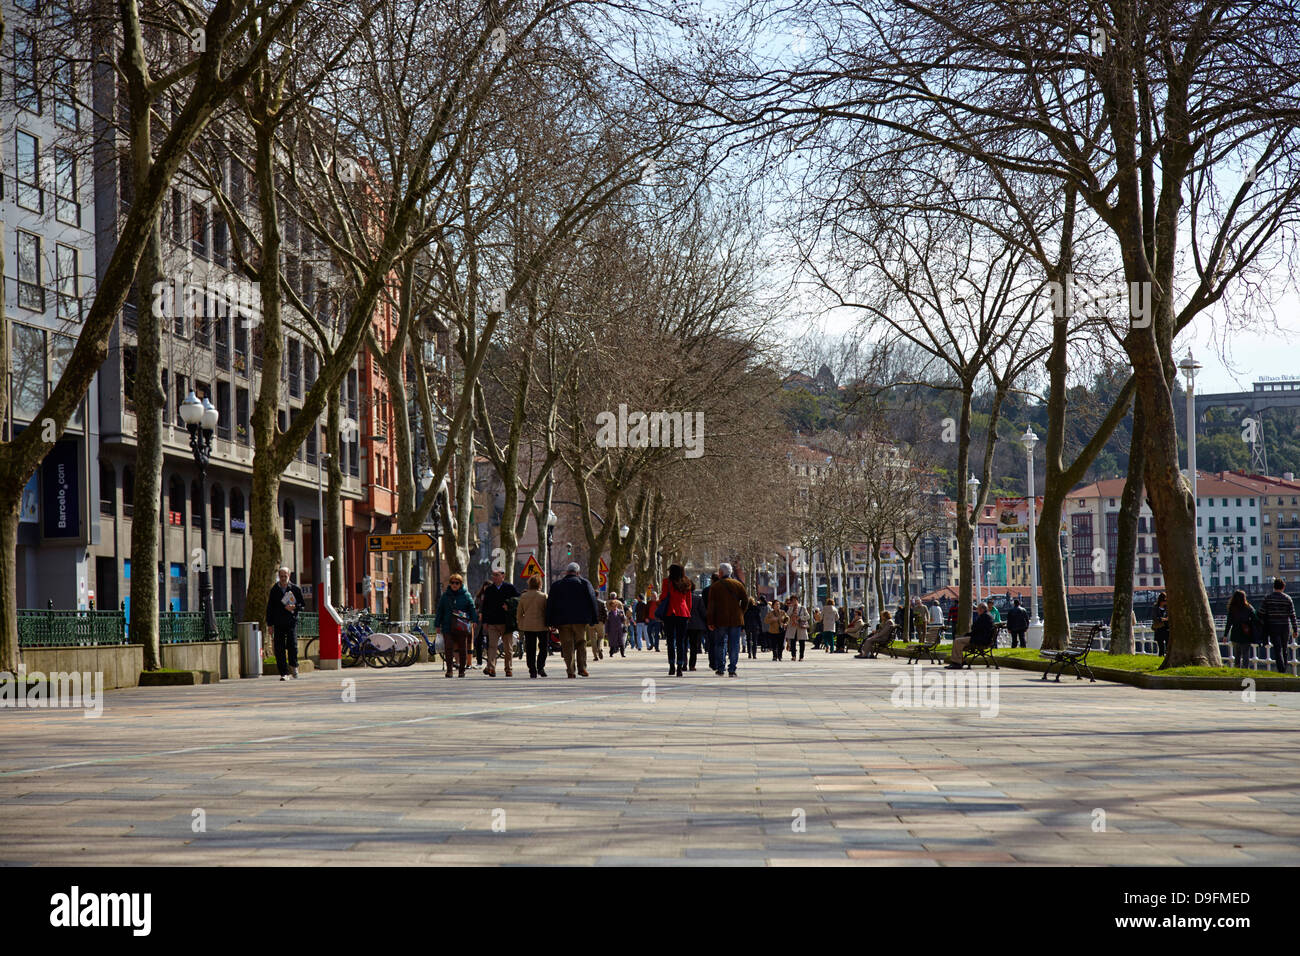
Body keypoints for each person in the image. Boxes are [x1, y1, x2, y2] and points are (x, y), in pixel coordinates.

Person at [545, 563, 599, 678]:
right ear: (578, 572)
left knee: (567, 645)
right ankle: (582, 668)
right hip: (580, 620)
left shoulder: (557, 585)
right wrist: (594, 618)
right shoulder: (584, 583)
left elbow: (550, 604)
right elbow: (592, 600)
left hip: (562, 621)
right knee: (581, 643)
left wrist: (549, 621)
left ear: (566, 572)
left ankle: (570, 670)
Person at [706, 563, 750, 677]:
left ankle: (721, 668)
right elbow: (746, 601)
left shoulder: (715, 586)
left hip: (720, 620)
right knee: (734, 644)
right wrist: (741, 612)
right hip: (736, 619)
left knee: (720, 643)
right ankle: (732, 668)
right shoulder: (738, 584)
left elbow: (711, 606)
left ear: (720, 573)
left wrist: (710, 621)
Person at [265, 567, 305, 681]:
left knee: (292, 645)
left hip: (291, 621)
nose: (283, 578)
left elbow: (302, 605)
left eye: (285, 576)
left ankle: (294, 666)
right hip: (278, 622)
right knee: (279, 648)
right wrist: (270, 624)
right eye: (281, 576)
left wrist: (295, 607)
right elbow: (270, 608)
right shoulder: (274, 590)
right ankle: (284, 673)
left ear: (289, 575)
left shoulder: (295, 589)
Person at [435, 573, 478, 678]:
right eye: (452, 583)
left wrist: (474, 620)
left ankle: (461, 671)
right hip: (447, 625)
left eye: (457, 583)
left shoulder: (466, 595)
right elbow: (440, 610)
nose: (454, 585)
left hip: (461, 626)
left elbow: (472, 608)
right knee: (448, 648)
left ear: (460, 584)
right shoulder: (445, 596)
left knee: (462, 648)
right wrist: (437, 625)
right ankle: (449, 670)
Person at [478, 568, 519, 677]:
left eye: (497, 575)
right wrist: (485, 622)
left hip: (506, 623)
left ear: (503, 576)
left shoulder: (509, 588)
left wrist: (509, 605)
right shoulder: (489, 590)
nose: (494, 577)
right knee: (492, 646)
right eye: (493, 575)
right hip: (492, 623)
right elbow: (485, 607)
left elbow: (518, 599)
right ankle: (491, 668)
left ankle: (508, 669)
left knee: (508, 648)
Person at [659, 564, 695, 677]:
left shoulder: (666, 582)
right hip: (683, 613)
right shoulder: (687, 582)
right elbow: (689, 601)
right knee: (681, 642)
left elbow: (663, 597)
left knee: (670, 641)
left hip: (670, 613)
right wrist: (688, 613)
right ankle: (680, 666)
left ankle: (671, 666)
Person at [1260, 577, 1298, 673]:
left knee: (1277, 649)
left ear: (1274, 587)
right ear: (1283, 587)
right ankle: (1284, 668)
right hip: (1285, 627)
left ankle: (1281, 669)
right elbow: (1292, 615)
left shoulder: (1268, 598)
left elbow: (1262, 612)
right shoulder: (1288, 599)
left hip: (1273, 627)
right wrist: (1295, 629)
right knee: (1284, 649)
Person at [517, 575, 550, 678]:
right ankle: (540, 667)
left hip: (528, 626)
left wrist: (521, 623)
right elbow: (547, 612)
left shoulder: (524, 596)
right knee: (543, 648)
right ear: (540, 584)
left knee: (530, 648)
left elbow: (519, 613)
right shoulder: (544, 596)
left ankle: (532, 669)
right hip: (542, 626)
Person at [947, 602, 996, 668]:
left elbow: (975, 628)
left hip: (980, 640)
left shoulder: (984, 617)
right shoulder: (988, 616)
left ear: (981, 609)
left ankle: (957, 663)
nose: (977, 611)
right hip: (983, 638)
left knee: (957, 641)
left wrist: (967, 634)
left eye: (977, 609)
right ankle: (960, 661)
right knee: (959, 639)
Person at [1224, 589, 1263, 669]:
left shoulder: (1232, 608)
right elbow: (1255, 618)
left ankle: (1237, 667)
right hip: (1246, 632)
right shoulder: (1248, 607)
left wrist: (1225, 635)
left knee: (1237, 654)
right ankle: (1245, 668)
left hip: (1235, 633)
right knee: (1245, 653)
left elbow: (1229, 623)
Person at [687, 589, 708, 671]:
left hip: (684, 624)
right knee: (694, 646)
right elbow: (703, 613)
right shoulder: (698, 599)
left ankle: (683, 663)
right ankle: (692, 665)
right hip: (696, 625)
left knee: (682, 644)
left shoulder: (683, 598)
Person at [785, 596, 810, 661]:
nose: (793, 602)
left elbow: (808, 616)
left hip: (800, 627)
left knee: (802, 642)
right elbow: (787, 616)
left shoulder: (802, 608)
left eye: (794, 600)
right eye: (792, 601)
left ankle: (801, 656)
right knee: (792, 642)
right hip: (792, 627)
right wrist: (791, 609)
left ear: (797, 600)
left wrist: (800, 617)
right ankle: (793, 656)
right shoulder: (790, 608)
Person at [1151, 592, 1170, 657]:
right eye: (1164, 601)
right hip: (1159, 628)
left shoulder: (1167, 608)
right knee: (1160, 645)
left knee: (1168, 644)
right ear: (1160, 600)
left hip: (1166, 628)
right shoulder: (1155, 607)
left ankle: (1167, 656)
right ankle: (1161, 656)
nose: (1165, 602)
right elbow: (1154, 617)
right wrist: (1162, 619)